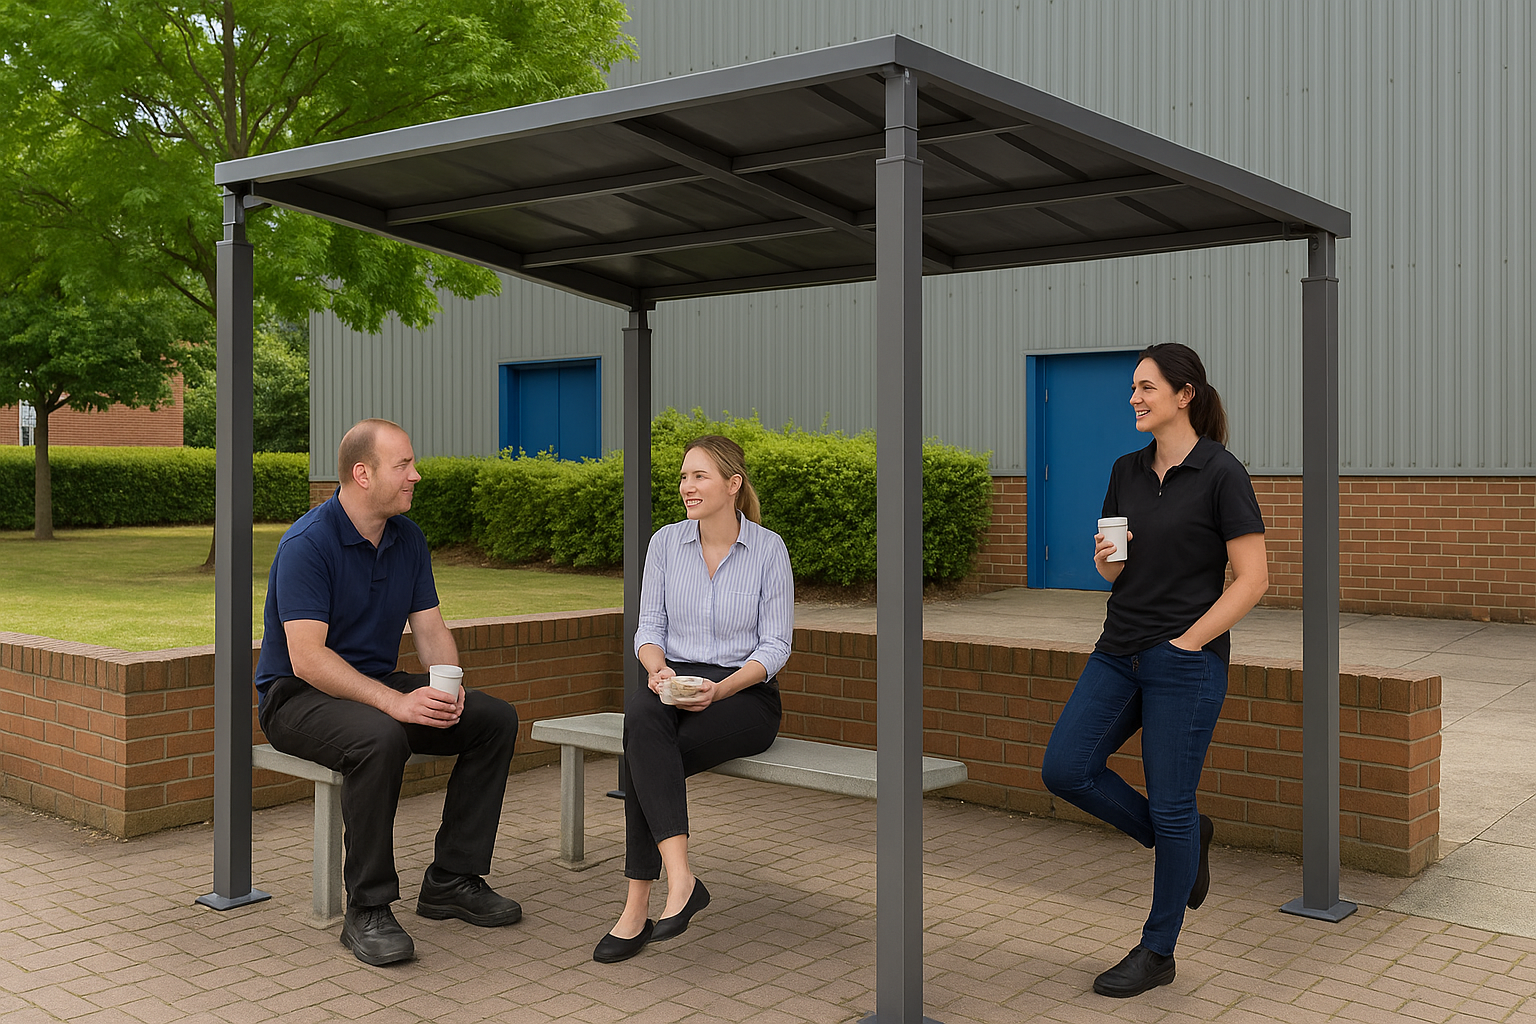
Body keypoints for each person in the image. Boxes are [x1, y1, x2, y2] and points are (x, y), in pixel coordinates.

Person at [1040, 344, 1268, 998]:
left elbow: (1253, 579)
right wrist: (1107, 559)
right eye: (1134, 388)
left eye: (1147, 387)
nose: (1135, 398)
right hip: (1118, 650)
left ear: (1184, 394)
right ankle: (1188, 840)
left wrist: (1189, 643)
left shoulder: (1221, 472)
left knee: (1171, 804)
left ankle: (1158, 950)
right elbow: (1113, 571)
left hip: (1184, 662)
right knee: (1066, 768)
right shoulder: (1126, 469)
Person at [254, 418, 522, 967]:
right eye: (403, 465)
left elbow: (430, 629)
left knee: (493, 719)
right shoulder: (308, 543)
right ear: (363, 474)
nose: (415, 475)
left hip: (374, 684)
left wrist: (447, 686)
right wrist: (396, 703)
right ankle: (368, 908)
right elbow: (307, 658)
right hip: (296, 696)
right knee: (380, 737)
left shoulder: (407, 539)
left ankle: (451, 879)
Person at [592, 435, 793, 964]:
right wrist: (657, 670)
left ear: (732, 484)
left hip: (745, 693)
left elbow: (776, 646)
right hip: (675, 681)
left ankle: (636, 907)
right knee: (642, 715)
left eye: (699, 476)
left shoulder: (768, 549)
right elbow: (648, 628)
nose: (687, 486)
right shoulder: (665, 544)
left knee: (642, 755)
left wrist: (721, 689)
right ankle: (680, 880)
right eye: (683, 476)